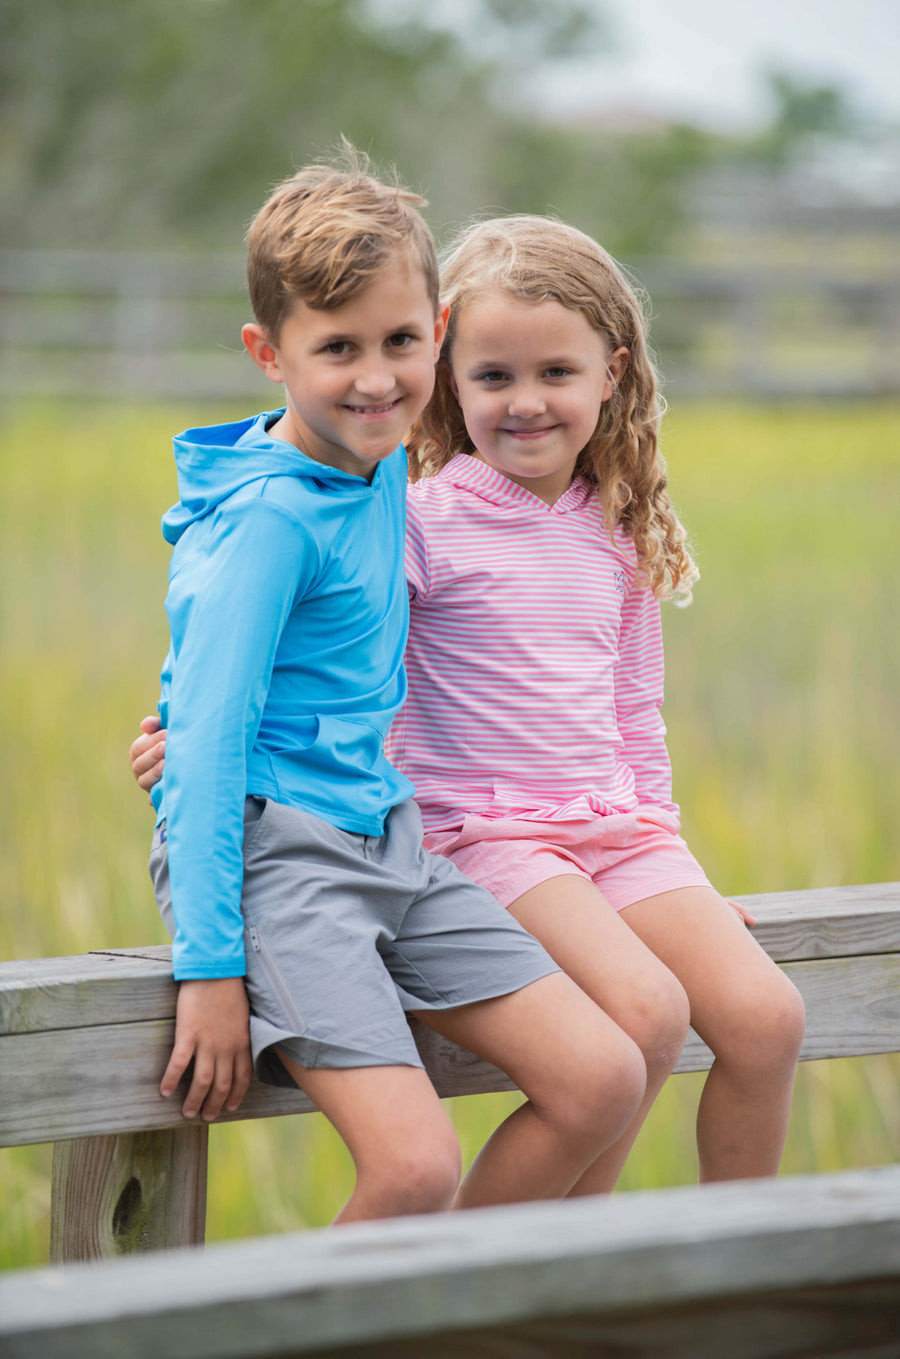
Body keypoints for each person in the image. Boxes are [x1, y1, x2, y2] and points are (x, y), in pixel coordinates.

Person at [140, 158, 648, 1226]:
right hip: (280, 862)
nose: (376, 379)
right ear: (268, 354)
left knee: (604, 1076)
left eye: (401, 343)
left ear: (439, 334)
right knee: (414, 1169)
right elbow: (212, 743)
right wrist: (210, 970)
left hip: (388, 837)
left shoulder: (376, 471)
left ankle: (463, 1304)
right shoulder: (270, 521)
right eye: (339, 349)